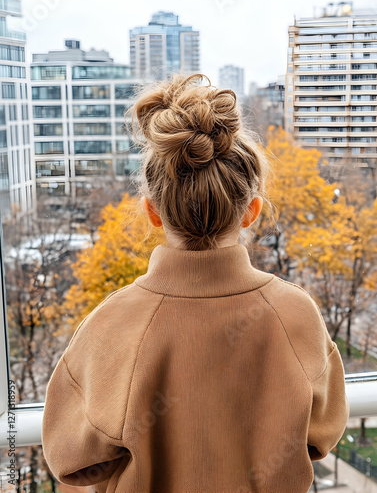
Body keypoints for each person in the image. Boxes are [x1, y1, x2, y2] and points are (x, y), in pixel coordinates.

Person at [42, 73, 350, 493]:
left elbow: (71, 460)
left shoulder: (111, 323)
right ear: (251, 211)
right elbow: (320, 436)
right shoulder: (296, 315)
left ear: (151, 212)